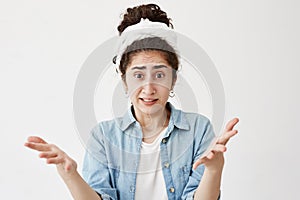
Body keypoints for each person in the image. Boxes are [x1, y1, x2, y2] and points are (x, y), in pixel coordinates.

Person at [24, 3, 239, 200]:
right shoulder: (103, 137)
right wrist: (69, 174)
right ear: (125, 81)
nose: (148, 88)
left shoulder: (198, 129)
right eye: (138, 75)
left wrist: (214, 170)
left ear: (173, 80)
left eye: (159, 75)